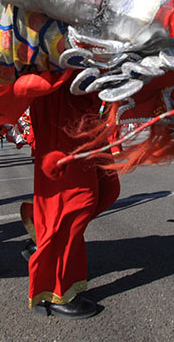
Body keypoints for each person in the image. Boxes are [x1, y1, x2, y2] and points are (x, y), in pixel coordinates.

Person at [27, 83, 120, 319]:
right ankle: (54, 292)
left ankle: (44, 232)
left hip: (84, 101)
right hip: (59, 94)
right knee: (77, 200)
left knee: (108, 187)